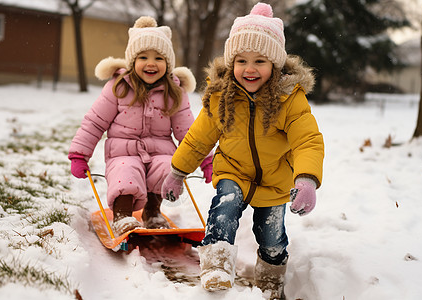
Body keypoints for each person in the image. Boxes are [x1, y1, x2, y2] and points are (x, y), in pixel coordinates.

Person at [160, 2, 324, 299]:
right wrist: (177, 172)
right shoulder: (221, 97)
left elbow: (307, 140)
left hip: (275, 180)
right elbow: (198, 139)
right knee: (225, 208)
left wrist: (306, 179)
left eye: (260, 61)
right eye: (241, 60)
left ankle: (270, 281)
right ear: (231, 61)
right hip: (232, 170)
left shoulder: (289, 99)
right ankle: (216, 266)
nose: (249, 69)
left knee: (272, 237)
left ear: (275, 65)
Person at [68, 16, 212, 236]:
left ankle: (153, 212)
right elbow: (94, 122)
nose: (151, 63)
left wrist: (206, 161)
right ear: (132, 61)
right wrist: (80, 154)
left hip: (160, 151)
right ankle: (122, 216)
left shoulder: (174, 93)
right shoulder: (119, 87)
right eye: (143, 57)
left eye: (159, 58)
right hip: (122, 152)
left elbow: (190, 133)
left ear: (168, 63)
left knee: (168, 168)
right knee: (126, 171)